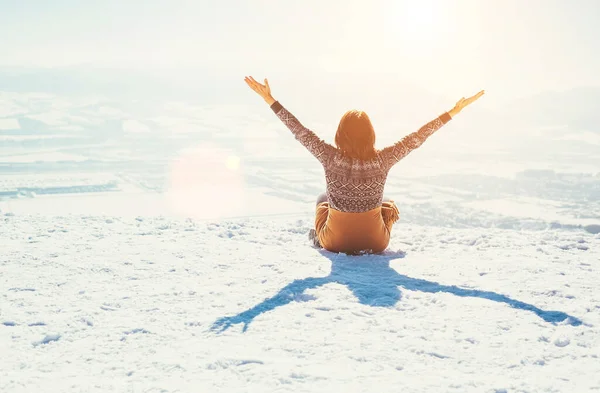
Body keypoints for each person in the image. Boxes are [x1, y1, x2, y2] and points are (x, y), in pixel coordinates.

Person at [244, 76, 484, 254]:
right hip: (376, 243)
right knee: (387, 204)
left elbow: (299, 130)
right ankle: (353, 232)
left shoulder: (329, 157)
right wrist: (453, 111)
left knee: (322, 199)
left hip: (335, 242)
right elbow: (417, 137)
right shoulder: (383, 160)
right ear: (371, 134)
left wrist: (269, 99)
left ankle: (318, 238)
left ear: (340, 134)